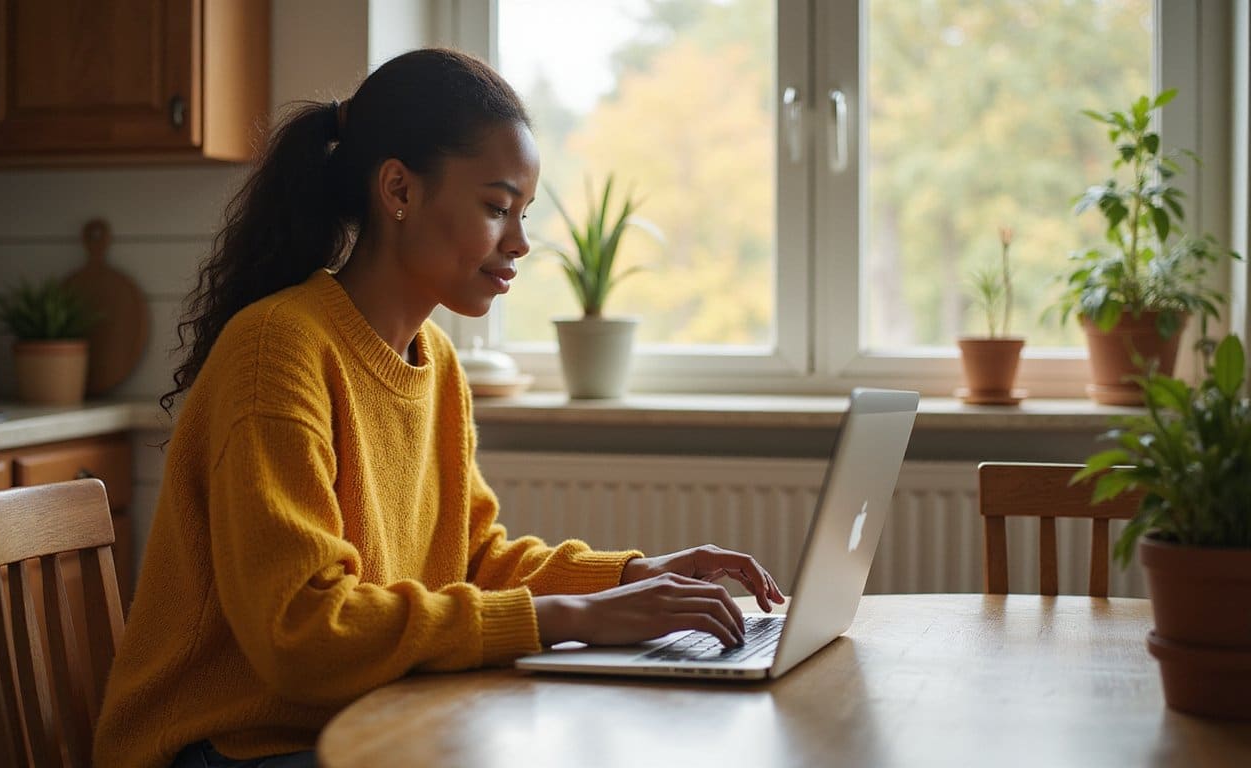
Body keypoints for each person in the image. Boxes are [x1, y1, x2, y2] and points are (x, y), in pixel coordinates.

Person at [93, 48, 784, 768]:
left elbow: (470, 558)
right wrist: (571, 616)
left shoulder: (437, 359)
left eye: (523, 213)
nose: (519, 243)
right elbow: (302, 632)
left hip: (357, 720)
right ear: (398, 189)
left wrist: (628, 578)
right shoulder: (279, 351)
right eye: (495, 207)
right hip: (228, 748)